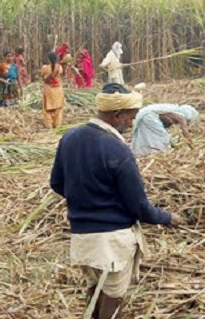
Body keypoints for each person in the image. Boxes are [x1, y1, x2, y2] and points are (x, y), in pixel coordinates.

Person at [49, 83, 182, 319]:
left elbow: (57, 184)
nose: (131, 124)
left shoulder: (69, 137)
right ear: (117, 115)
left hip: (82, 237)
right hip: (112, 240)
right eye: (130, 118)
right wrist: (167, 217)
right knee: (113, 297)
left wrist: (84, 200)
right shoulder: (117, 149)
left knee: (94, 288)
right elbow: (139, 206)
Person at [131, 104, 199, 155]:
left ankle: (145, 153)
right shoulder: (181, 117)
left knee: (148, 136)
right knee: (161, 137)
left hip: (148, 117)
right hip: (150, 117)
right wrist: (193, 148)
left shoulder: (174, 112)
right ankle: (155, 153)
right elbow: (185, 133)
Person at [41, 52, 65, 128]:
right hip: (58, 89)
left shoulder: (44, 68)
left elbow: (43, 78)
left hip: (48, 90)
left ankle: (49, 125)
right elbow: (61, 76)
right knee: (58, 107)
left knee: (47, 107)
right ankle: (57, 124)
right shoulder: (60, 68)